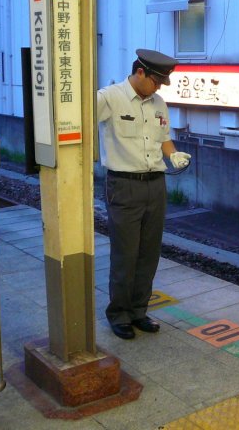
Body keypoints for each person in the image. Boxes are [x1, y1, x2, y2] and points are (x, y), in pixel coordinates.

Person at [96, 49, 191, 339]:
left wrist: (173, 155)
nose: (159, 87)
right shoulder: (109, 97)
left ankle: (139, 311)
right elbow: (78, 118)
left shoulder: (158, 103)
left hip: (155, 185)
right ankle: (119, 314)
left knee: (149, 253)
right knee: (125, 254)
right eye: (156, 81)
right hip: (123, 184)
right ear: (140, 72)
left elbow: (164, 138)